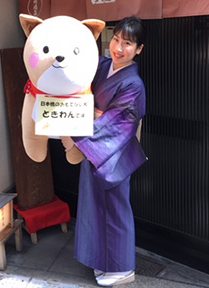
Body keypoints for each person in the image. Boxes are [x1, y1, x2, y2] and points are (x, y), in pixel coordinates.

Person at [61, 16, 147, 287]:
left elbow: (120, 124)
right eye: (117, 40)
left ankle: (123, 268)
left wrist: (79, 128)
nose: (119, 48)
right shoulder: (102, 65)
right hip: (94, 150)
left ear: (139, 49)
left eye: (128, 44)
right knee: (96, 208)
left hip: (114, 154)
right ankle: (103, 262)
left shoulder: (134, 84)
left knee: (116, 210)